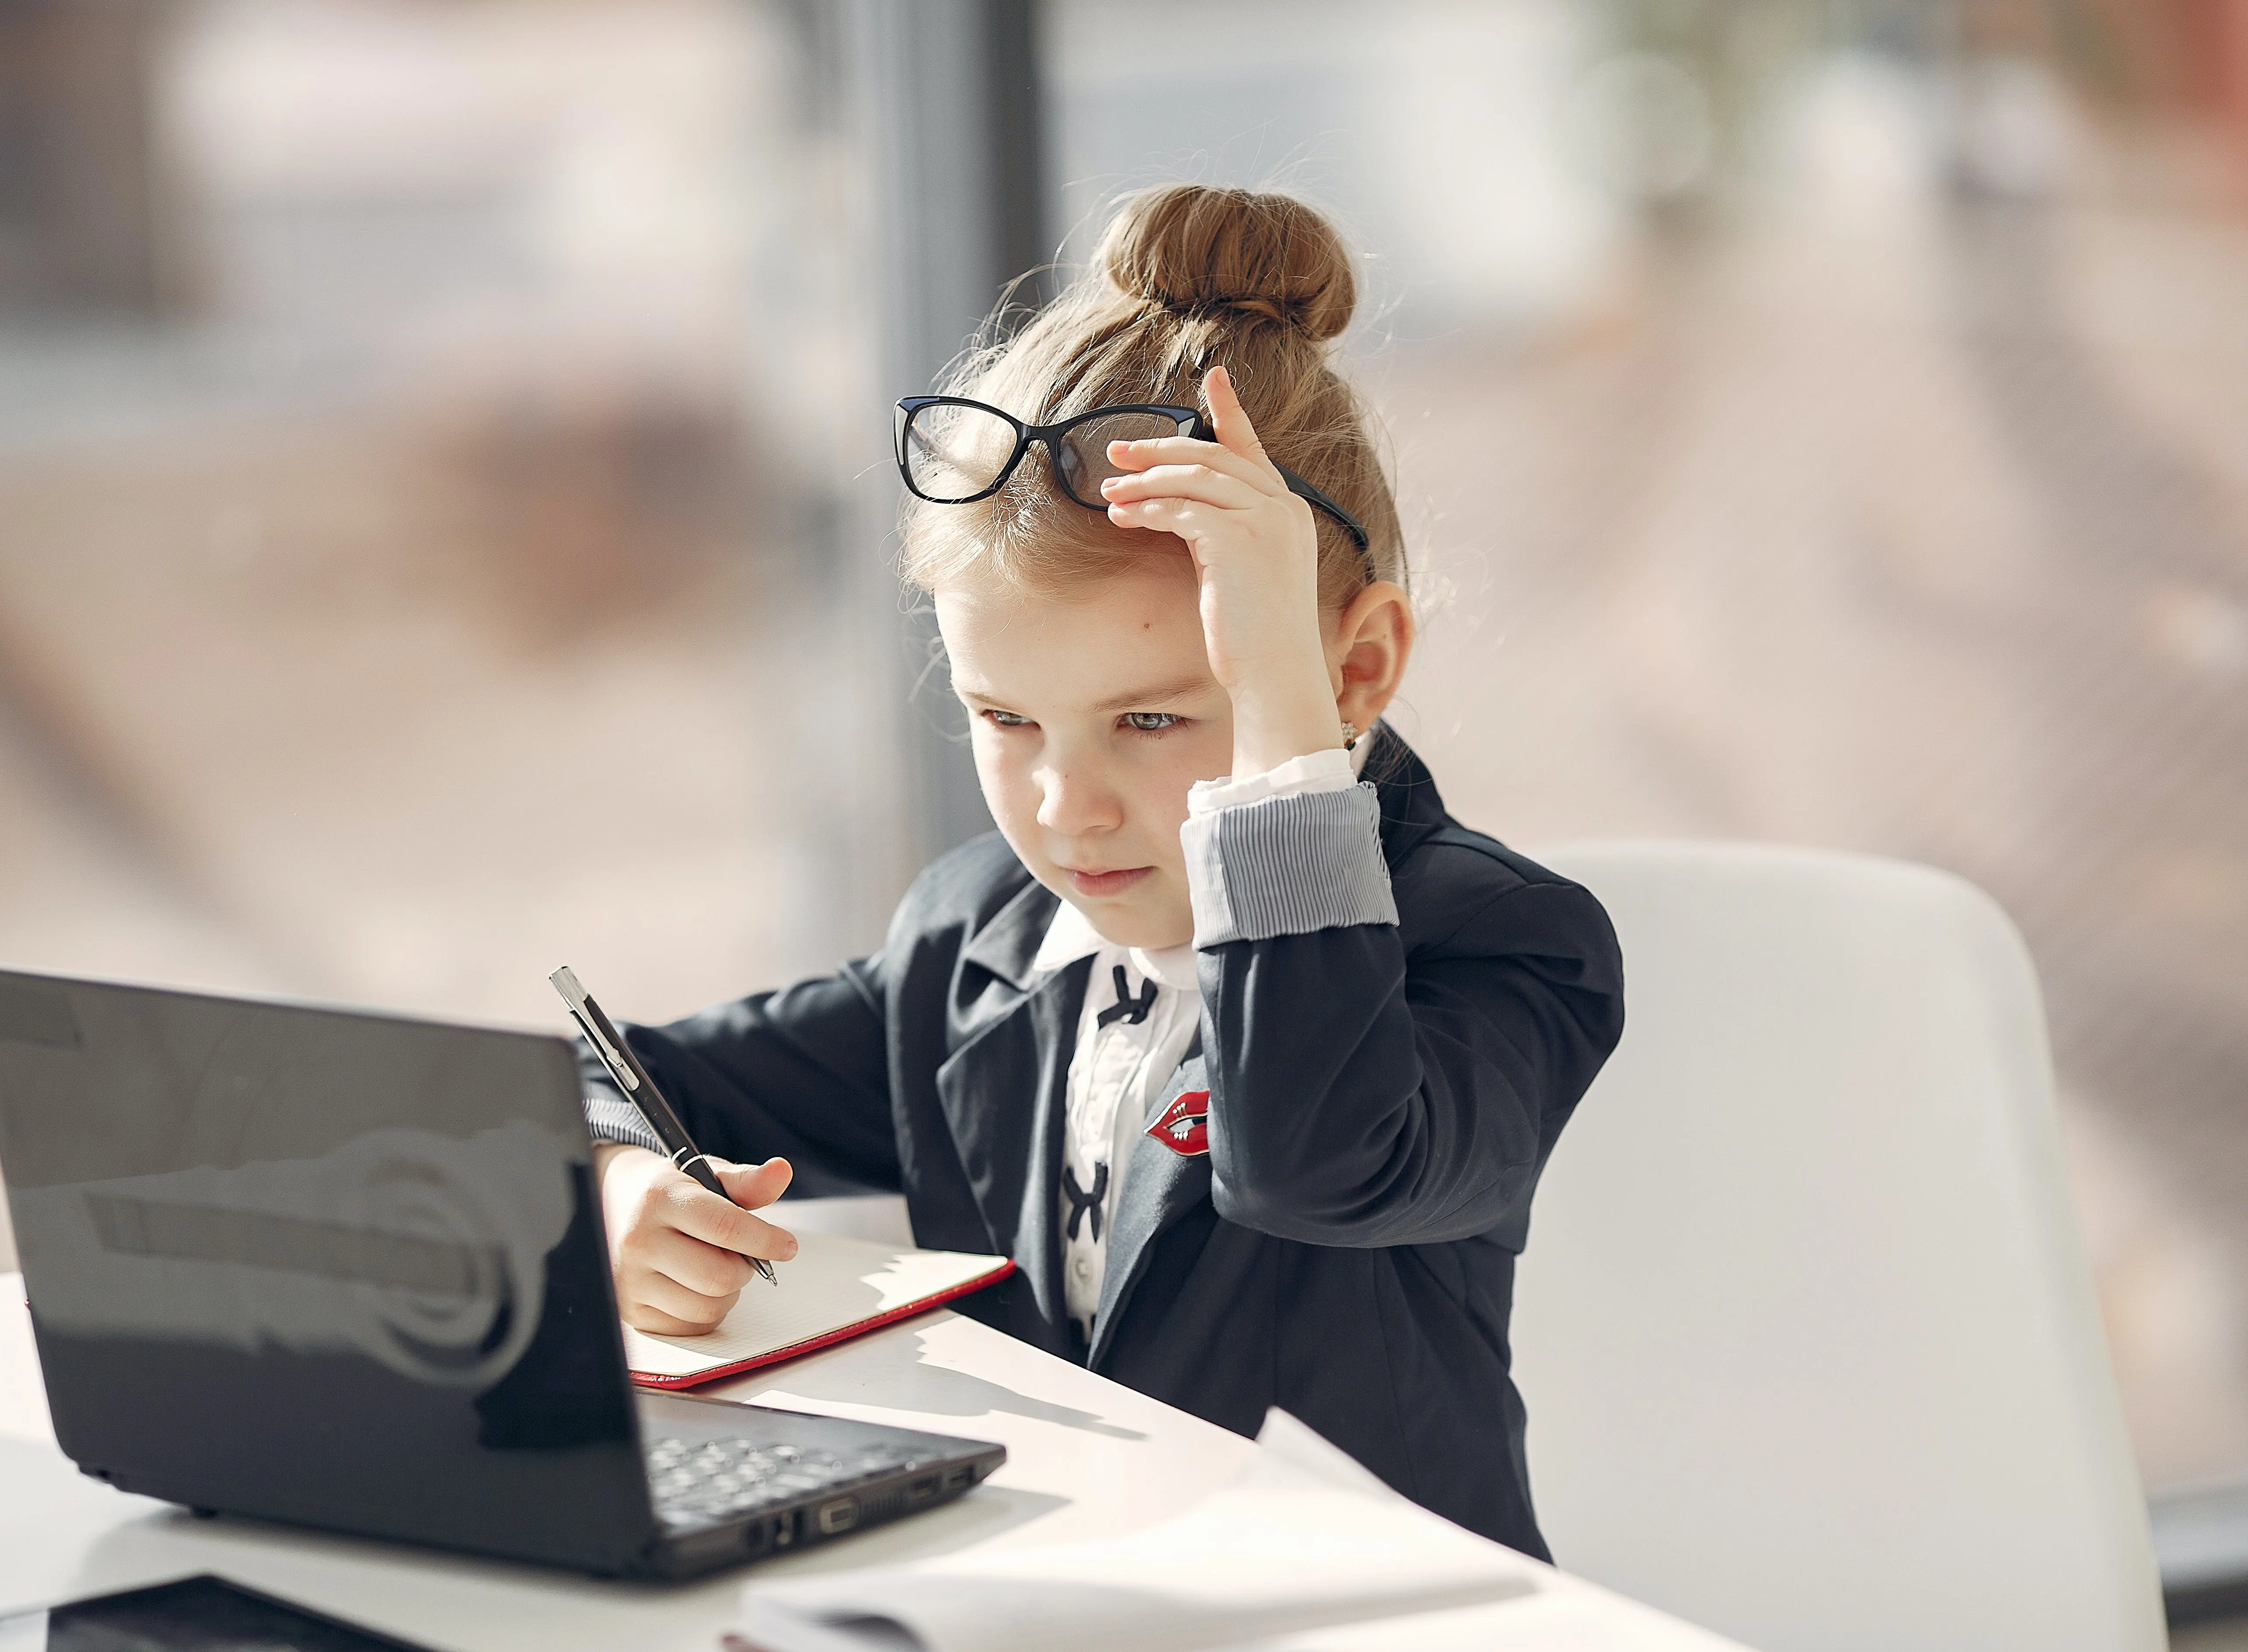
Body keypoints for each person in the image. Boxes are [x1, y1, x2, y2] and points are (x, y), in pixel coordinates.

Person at [584, 184, 1623, 1560]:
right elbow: (602, 1081)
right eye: (1005, 721)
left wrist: (1278, 741)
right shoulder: (973, 942)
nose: (1067, 805)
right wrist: (613, 1195)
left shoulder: (1505, 942)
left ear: (1354, 670)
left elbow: (1315, 1165)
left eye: (1155, 719)